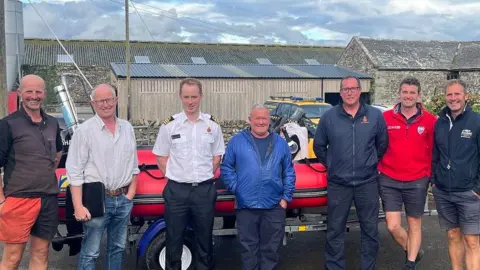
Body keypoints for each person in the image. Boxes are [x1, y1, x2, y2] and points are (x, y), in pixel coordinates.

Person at [313, 76, 388, 270]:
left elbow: (382, 145)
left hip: (367, 182)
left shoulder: (374, 116)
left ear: (360, 90)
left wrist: (369, 163)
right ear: (340, 92)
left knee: (370, 230)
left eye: (353, 88)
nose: (349, 92)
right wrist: (333, 164)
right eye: (345, 89)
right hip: (339, 183)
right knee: (335, 230)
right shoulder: (329, 117)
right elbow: (319, 146)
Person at [152, 78, 225, 270]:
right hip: (177, 191)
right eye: (186, 97)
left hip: (204, 190)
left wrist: (205, 173)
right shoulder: (170, 126)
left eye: (194, 96)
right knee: (174, 240)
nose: (190, 101)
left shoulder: (213, 125)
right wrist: (176, 175)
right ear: (180, 97)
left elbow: (217, 155)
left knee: (205, 241)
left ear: (201, 96)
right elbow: (160, 157)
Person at [65, 84, 140, 269]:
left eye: (109, 99)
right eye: (100, 101)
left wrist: (130, 194)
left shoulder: (127, 128)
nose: (105, 104)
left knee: (117, 248)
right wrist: (78, 206)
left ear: (116, 100)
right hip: (97, 200)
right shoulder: (84, 132)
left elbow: (134, 164)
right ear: (93, 103)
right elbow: (74, 171)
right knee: (91, 251)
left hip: (122, 199)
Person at [220, 104, 296, 270]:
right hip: (246, 206)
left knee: (271, 250)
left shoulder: (280, 143)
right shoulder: (237, 141)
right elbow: (226, 167)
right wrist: (237, 188)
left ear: (269, 120)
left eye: (264, 118)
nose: (261, 122)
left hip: (274, 205)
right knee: (248, 250)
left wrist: (285, 198)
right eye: (257, 118)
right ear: (250, 120)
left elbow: (289, 171)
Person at [0, 74, 63, 270]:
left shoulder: (53, 123)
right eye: (29, 91)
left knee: (41, 253)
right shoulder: (8, 124)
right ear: (20, 93)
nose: (33, 96)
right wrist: (1, 197)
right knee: (12, 257)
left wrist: (44, 171)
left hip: (48, 198)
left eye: (38, 91)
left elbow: (58, 152)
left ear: (44, 93)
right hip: (19, 199)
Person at [377, 77, 436, 270]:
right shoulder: (385, 118)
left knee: (414, 223)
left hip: (417, 180)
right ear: (399, 93)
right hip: (389, 178)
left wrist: (429, 174)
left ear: (418, 95)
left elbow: (436, 150)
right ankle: (413, 250)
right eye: (405, 92)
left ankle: (410, 263)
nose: (408, 96)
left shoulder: (429, 121)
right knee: (392, 226)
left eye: (412, 93)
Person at [431, 79, 480, 270]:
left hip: (469, 193)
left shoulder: (476, 122)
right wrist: (434, 181)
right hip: (443, 191)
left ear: (465, 96)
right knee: (452, 235)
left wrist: (478, 188)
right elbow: (435, 154)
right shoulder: (441, 122)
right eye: (449, 95)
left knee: (472, 240)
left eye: (457, 94)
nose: (453, 98)